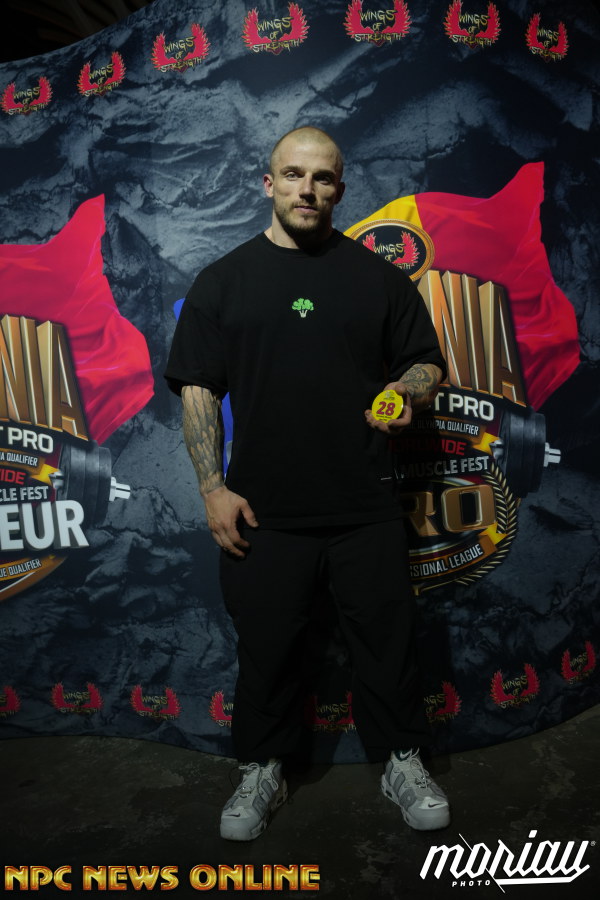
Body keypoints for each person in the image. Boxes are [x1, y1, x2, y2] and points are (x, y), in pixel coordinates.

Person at [165, 126, 449, 841]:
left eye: (322, 178)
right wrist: (212, 488)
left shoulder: (377, 279)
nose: (307, 190)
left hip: (365, 504)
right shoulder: (223, 281)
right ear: (269, 183)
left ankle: (403, 761)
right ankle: (262, 767)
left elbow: (425, 363)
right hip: (264, 511)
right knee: (267, 651)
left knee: (388, 646)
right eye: (293, 174)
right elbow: (197, 389)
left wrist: (405, 393)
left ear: (340, 190)